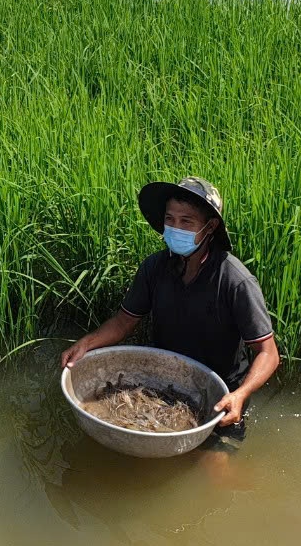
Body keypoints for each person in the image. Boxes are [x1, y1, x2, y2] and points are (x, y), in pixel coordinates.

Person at [60, 177, 279, 443]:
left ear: (210, 227)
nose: (176, 228)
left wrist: (240, 394)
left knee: (216, 472)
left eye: (186, 221)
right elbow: (123, 323)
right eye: (170, 219)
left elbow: (268, 353)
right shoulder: (155, 268)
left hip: (221, 397)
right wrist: (87, 343)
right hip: (163, 384)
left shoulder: (234, 280)